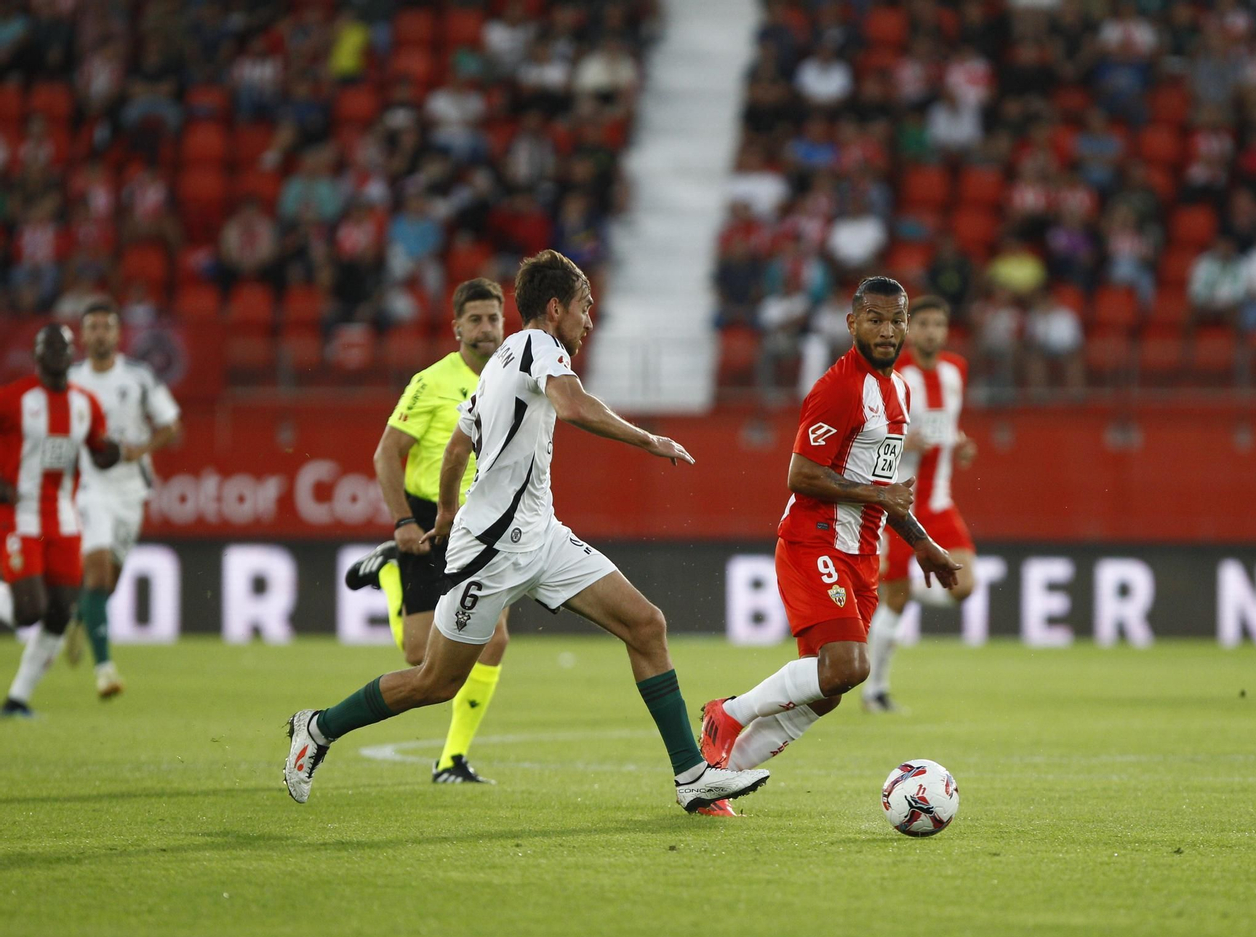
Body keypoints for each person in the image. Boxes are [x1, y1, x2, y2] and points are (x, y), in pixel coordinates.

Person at [285, 251, 769, 813]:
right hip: (490, 553)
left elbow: (457, 448)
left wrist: (445, 513)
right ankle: (318, 727)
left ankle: (691, 775)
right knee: (434, 682)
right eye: (585, 307)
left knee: (646, 624)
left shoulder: (499, 363)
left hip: (542, 538)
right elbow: (573, 405)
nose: (590, 320)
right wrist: (649, 440)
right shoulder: (540, 345)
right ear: (555, 308)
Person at [696, 277, 961, 809]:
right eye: (875, 320)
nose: (886, 331)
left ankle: (714, 781)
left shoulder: (899, 390)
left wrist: (922, 542)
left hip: (862, 551)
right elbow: (800, 474)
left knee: (829, 691)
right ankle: (727, 713)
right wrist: (879, 497)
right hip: (813, 541)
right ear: (852, 323)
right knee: (849, 667)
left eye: (896, 320)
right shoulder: (838, 388)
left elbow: (885, 488)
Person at [343, 279, 511, 784]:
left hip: (485, 522)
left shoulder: (513, 378)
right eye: (475, 319)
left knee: (493, 640)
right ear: (457, 327)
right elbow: (385, 454)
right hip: (431, 520)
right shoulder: (431, 381)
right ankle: (390, 573)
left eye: (493, 318)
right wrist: (403, 522)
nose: (486, 328)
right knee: (420, 657)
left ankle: (451, 759)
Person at [863, 295, 978, 713]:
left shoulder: (955, 370)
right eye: (924, 324)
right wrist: (898, 441)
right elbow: (864, 430)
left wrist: (960, 444)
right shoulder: (891, 373)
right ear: (910, 329)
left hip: (940, 499)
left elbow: (946, 424)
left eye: (939, 325)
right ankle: (875, 692)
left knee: (964, 585)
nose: (932, 332)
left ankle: (904, 591)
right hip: (899, 501)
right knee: (893, 599)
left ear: (946, 331)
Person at [61, 301, 182, 698]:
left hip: (130, 490)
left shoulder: (139, 376)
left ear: (117, 334)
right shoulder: (69, 380)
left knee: (106, 583)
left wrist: (138, 451)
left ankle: (81, 617)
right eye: (92, 327)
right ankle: (105, 671)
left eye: (106, 326)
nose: (99, 333)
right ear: (82, 335)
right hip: (89, 486)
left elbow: (171, 424)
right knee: (96, 574)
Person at [0, 325, 121, 717]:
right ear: (37, 356)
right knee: (29, 611)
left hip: (64, 521)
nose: (57, 354)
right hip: (19, 516)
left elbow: (99, 449)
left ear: (72, 354)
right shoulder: (13, 399)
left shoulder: (86, 404)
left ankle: (17, 700)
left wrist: (111, 454)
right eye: (49, 348)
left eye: (63, 348)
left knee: (61, 611)